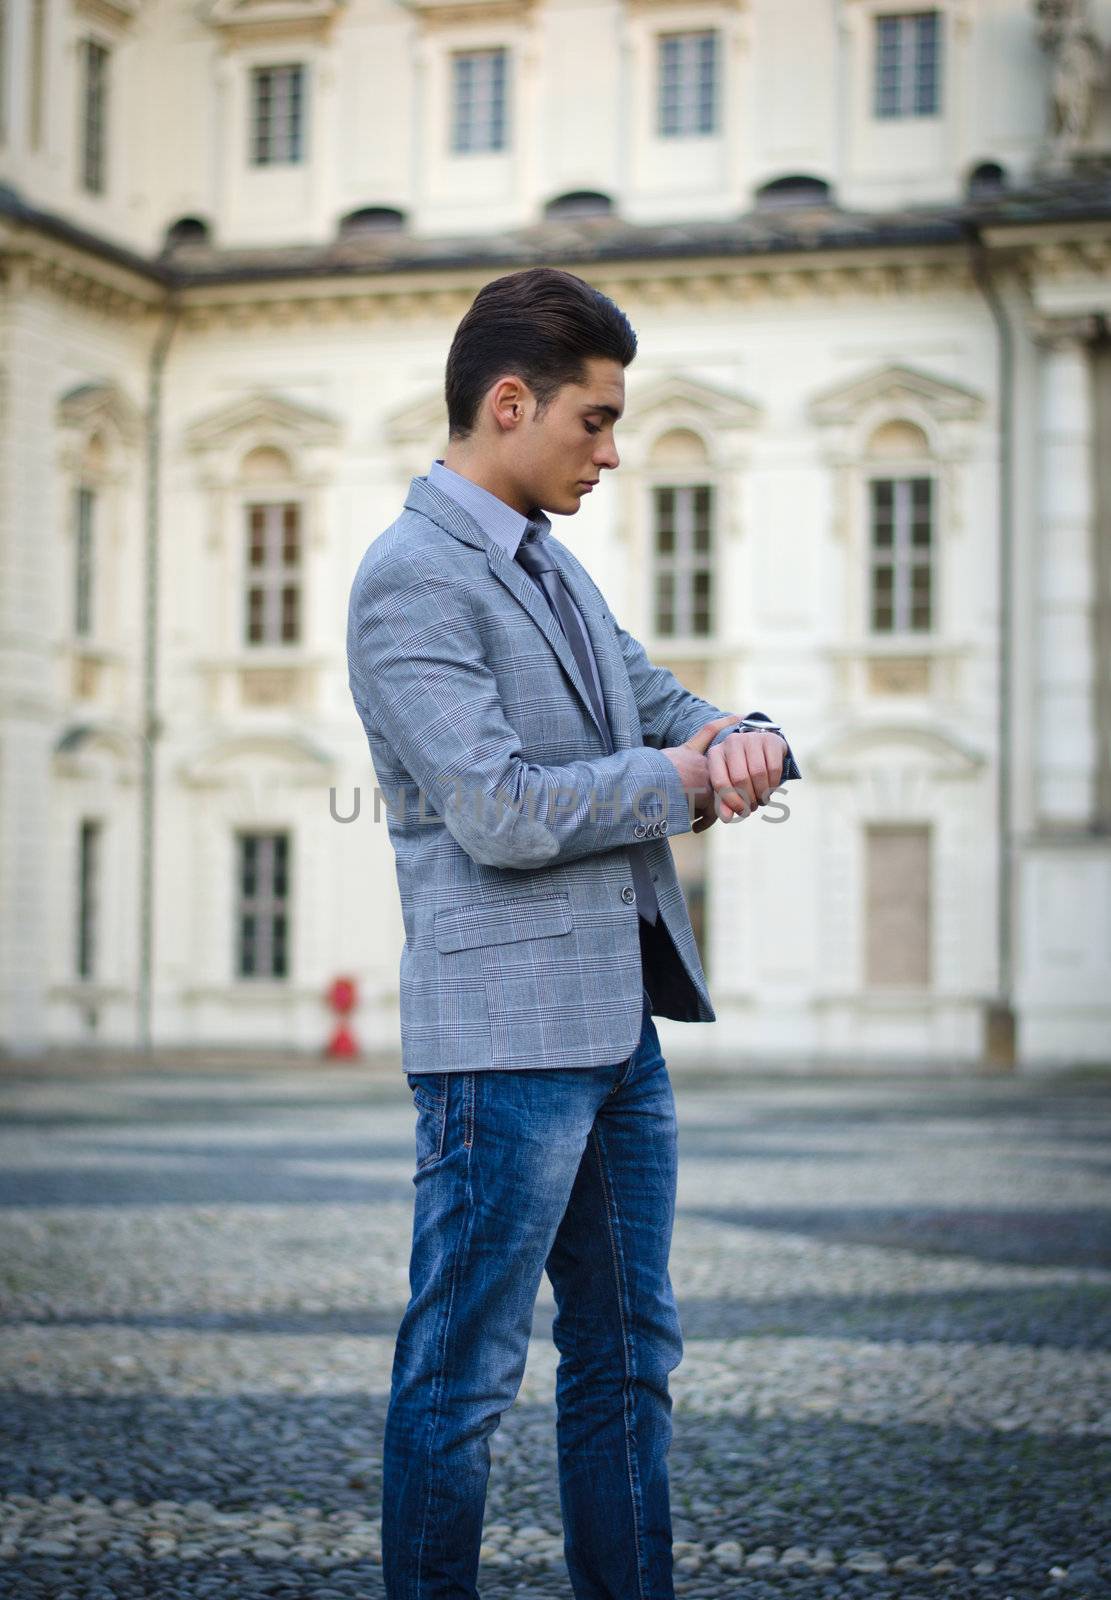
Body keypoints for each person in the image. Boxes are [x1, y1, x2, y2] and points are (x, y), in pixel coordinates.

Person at [346, 265, 800, 1600]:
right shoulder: (411, 578)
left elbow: (651, 698)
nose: (610, 450)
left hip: (615, 1026)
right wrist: (682, 782)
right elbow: (497, 810)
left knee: (629, 1358)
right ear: (508, 401)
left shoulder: (550, 561)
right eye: (594, 421)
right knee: (462, 1379)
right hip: (501, 1052)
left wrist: (735, 738)